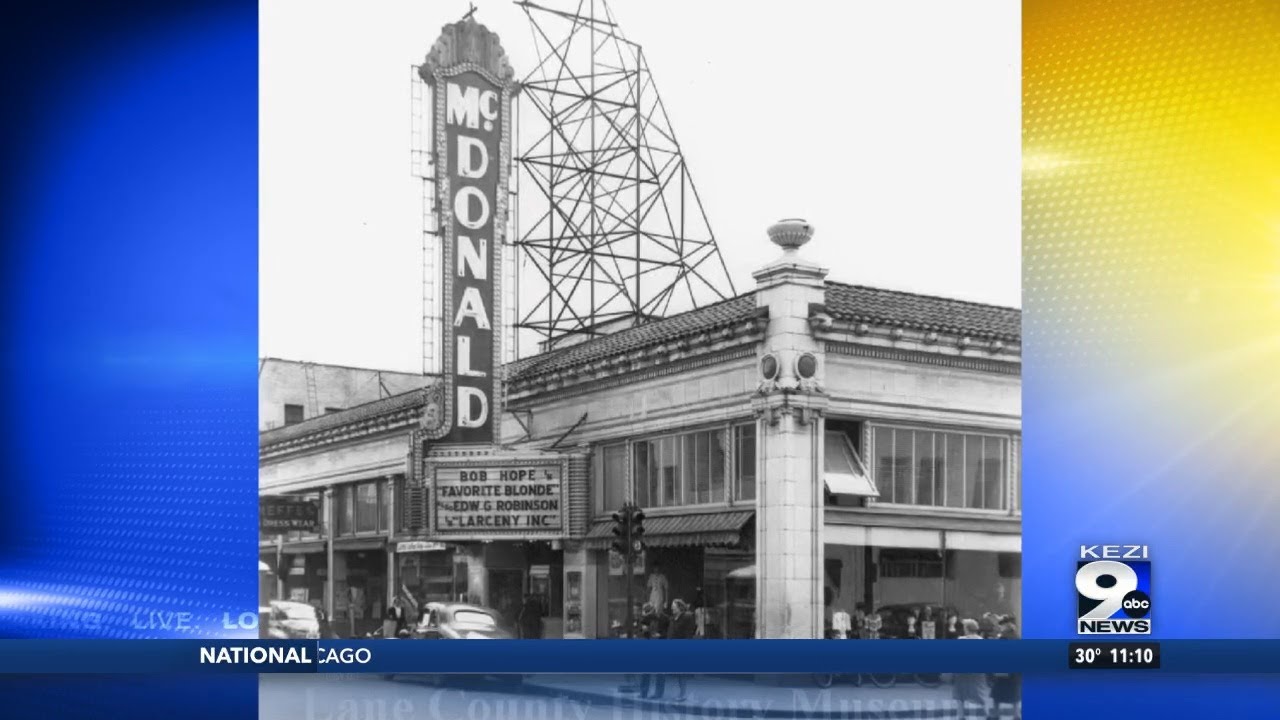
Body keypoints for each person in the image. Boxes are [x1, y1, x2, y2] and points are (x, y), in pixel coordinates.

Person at [952, 619, 990, 719]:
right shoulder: (981, 640)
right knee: (980, 693)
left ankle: (961, 716)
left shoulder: (961, 640)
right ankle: (987, 714)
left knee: (960, 694)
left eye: (964, 627)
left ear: (967, 628)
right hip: (977, 672)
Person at [988, 616, 1021, 720]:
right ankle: (1016, 715)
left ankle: (996, 714)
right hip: (1015, 670)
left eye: (1001, 625)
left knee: (997, 693)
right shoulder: (1017, 636)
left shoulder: (1003, 637)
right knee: (1014, 694)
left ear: (1006, 625)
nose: (1000, 627)